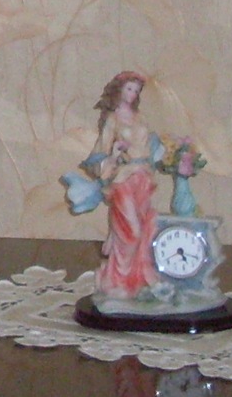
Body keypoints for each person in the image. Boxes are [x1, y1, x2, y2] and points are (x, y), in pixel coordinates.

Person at [64, 70, 160, 300]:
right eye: (129, 88)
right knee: (131, 231)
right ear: (119, 90)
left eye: (136, 90)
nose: (132, 93)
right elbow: (100, 153)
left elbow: (149, 147)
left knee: (145, 231)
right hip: (123, 179)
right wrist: (115, 155)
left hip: (142, 179)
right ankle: (117, 278)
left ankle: (134, 281)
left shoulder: (141, 118)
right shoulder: (113, 119)